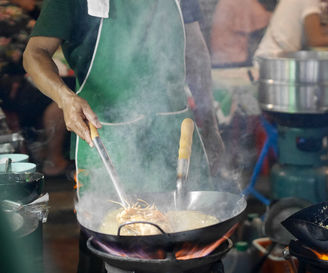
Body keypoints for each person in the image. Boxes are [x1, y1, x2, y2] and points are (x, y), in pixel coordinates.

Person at [24, 0, 224, 271]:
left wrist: (211, 125)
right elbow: (35, 53)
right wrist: (65, 99)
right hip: (108, 142)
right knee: (114, 246)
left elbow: (196, 53)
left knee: (194, 248)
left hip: (178, 141)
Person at [0, 0, 70, 176]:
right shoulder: (12, 14)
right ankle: (53, 159)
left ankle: (41, 147)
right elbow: (37, 52)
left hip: (10, 86)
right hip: (10, 85)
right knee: (65, 91)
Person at [254, 0, 328, 57]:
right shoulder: (310, 1)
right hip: (274, 57)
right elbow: (315, 40)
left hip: (269, 55)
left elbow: (308, 30)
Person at [210, 0, 272, 67]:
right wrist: (281, 11)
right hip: (231, 59)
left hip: (222, 58)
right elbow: (262, 19)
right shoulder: (241, 1)